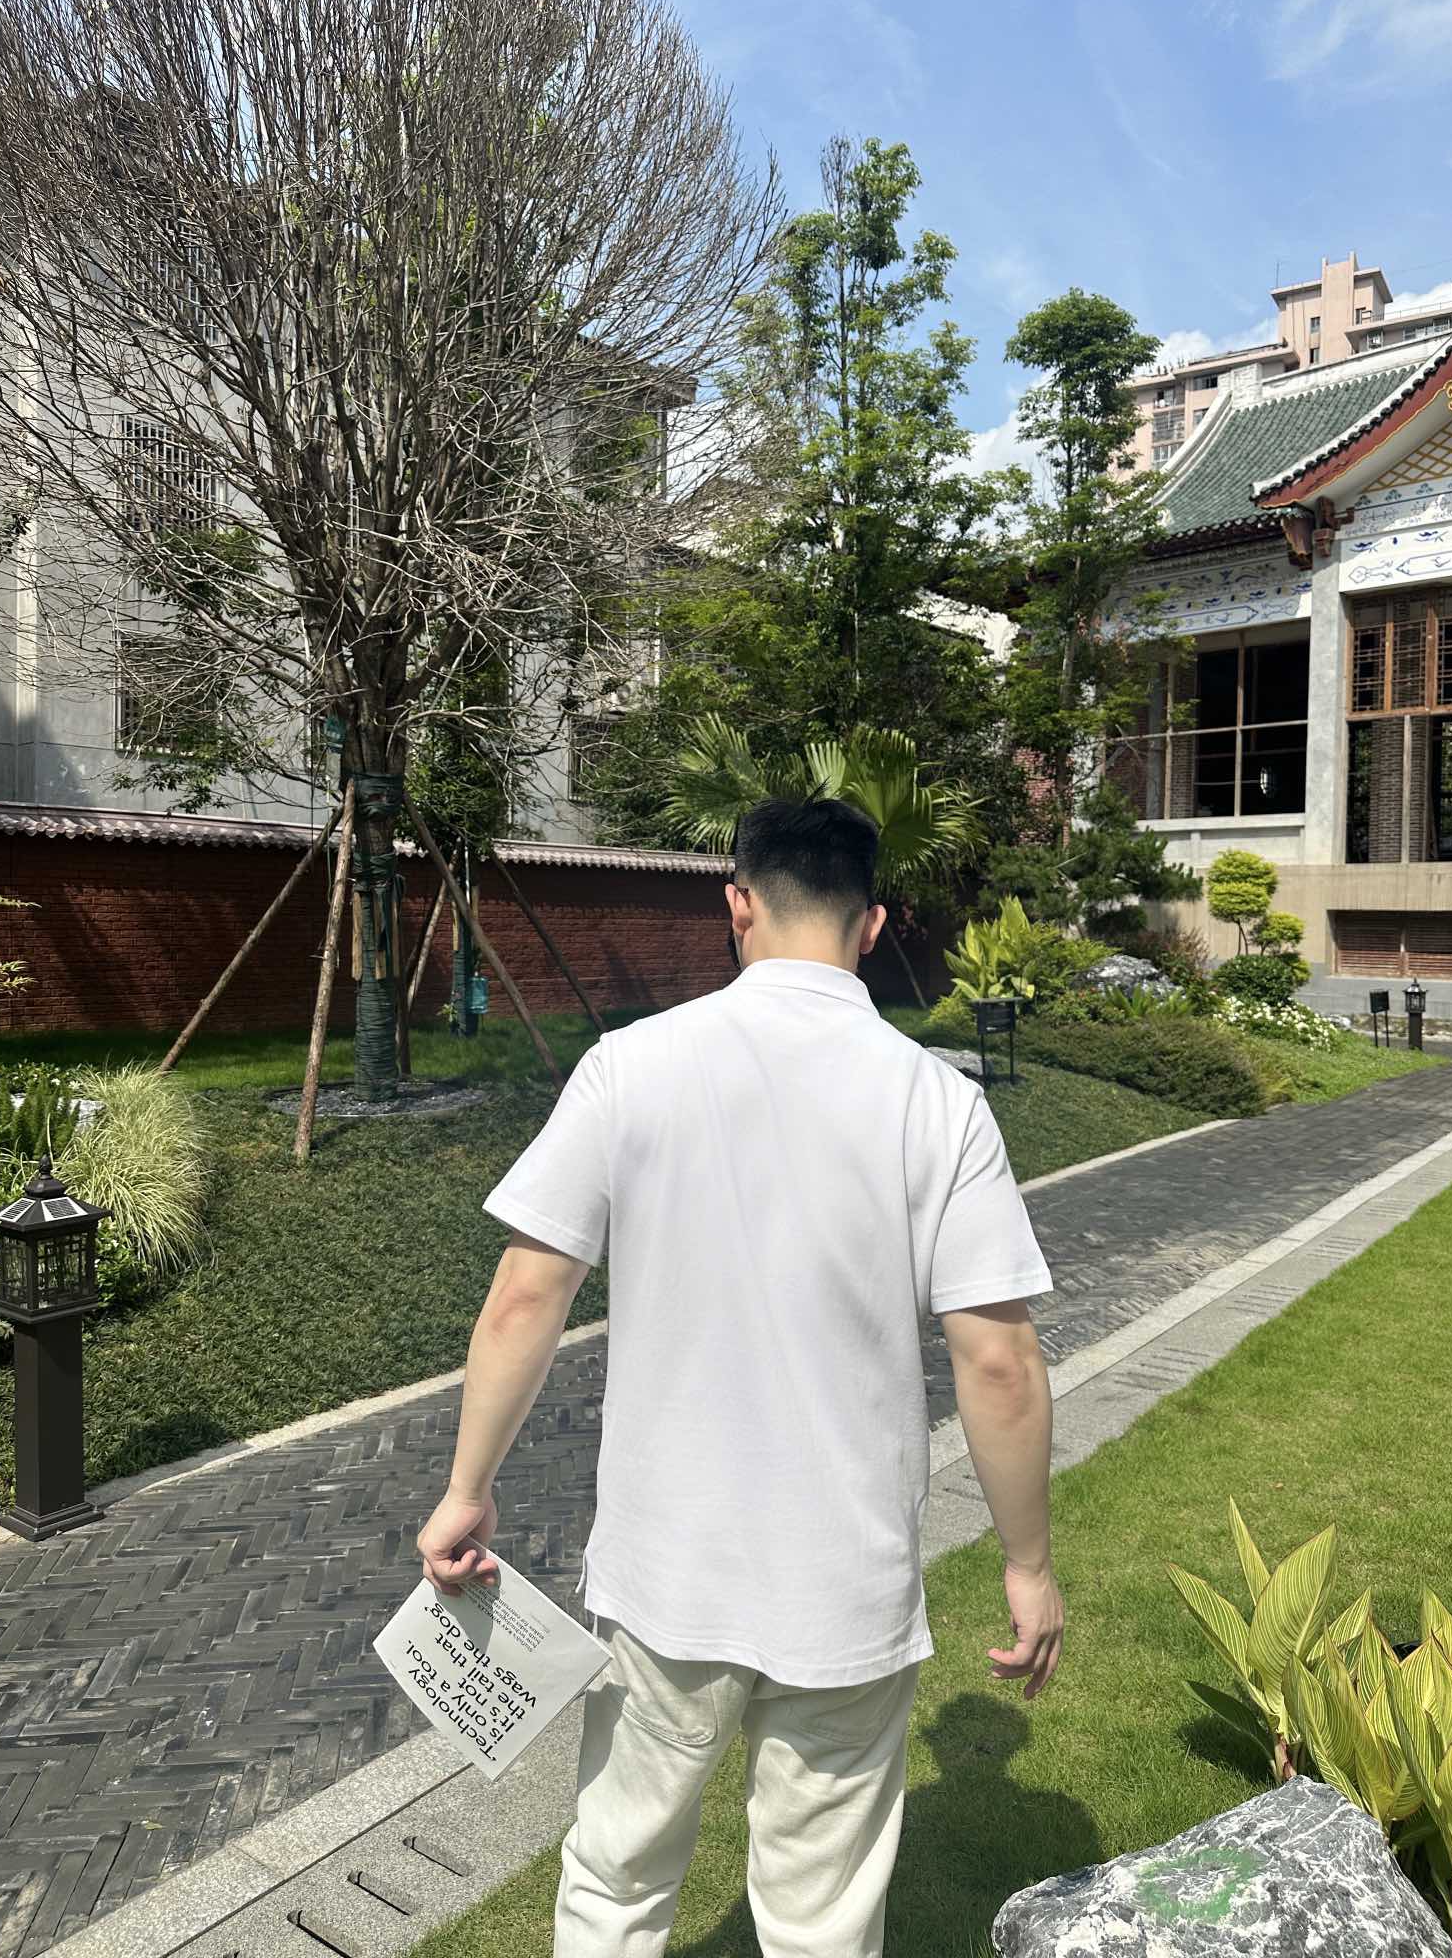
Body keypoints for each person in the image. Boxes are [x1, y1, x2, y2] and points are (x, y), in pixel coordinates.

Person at [415, 798, 1062, 1958]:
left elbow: (524, 1297)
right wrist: (1027, 1564)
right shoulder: (938, 1102)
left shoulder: (631, 1067)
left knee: (615, 1880)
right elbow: (1000, 1361)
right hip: (847, 1586)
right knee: (821, 1917)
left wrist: (467, 1488)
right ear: (873, 924)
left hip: (667, 1574)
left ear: (737, 905)